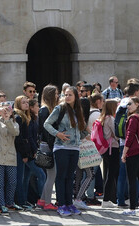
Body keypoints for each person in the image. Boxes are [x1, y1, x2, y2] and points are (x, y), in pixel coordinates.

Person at [44, 86, 87, 217]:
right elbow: (47, 124)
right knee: (61, 176)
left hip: (75, 147)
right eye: (66, 94)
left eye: (70, 95)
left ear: (75, 96)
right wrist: (58, 134)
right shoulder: (60, 108)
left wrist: (84, 134)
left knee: (70, 177)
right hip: (61, 147)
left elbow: (80, 129)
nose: (67, 97)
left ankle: (69, 203)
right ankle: (61, 204)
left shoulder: (78, 110)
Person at [14, 94, 45, 210]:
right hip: (23, 153)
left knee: (26, 178)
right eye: (23, 102)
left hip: (29, 152)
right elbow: (20, 138)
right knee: (23, 177)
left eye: (27, 102)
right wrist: (25, 154)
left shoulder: (27, 117)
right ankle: (21, 201)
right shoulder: (18, 117)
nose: (26, 104)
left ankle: (24, 200)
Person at [120, 97, 139, 215]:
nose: (128, 106)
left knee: (131, 180)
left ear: (137, 104)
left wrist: (124, 153)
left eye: (130, 104)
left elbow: (129, 137)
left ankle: (132, 208)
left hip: (132, 152)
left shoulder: (133, 118)